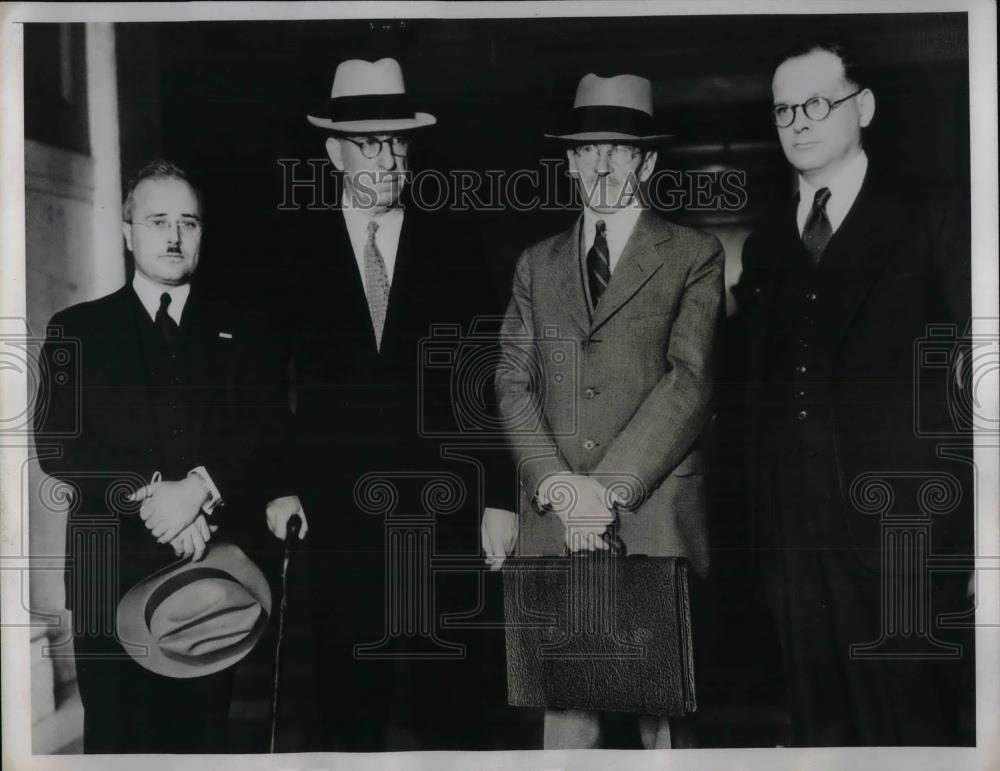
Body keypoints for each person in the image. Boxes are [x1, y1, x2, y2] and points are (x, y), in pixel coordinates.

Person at [266, 57, 516, 751]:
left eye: (398, 142)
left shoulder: (454, 241)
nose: (388, 158)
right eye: (370, 142)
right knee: (348, 702)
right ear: (334, 152)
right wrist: (282, 484)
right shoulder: (293, 248)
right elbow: (265, 382)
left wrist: (499, 495)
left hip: (445, 506)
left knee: (454, 700)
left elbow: (488, 374)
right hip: (337, 512)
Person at [734, 40, 973, 745]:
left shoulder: (933, 213)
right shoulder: (768, 243)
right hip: (793, 547)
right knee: (820, 734)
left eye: (816, 103)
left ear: (862, 107)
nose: (798, 122)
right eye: (783, 110)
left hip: (907, 533)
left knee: (913, 728)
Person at [490, 72, 725, 749]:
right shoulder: (537, 264)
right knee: (569, 726)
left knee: (664, 725)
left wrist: (607, 490)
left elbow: (690, 382)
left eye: (618, 149)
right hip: (557, 522)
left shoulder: (693, 254)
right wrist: (561, 487)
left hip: (649, 519)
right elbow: (512, 380)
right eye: (587, 149)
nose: (601, 163)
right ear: (568, 162)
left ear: (646, 162)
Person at [34, 159, 287, 752]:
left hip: (210, 570)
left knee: (199, 741)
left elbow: (264, 425)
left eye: (188, 223)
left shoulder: (244, 329)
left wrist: (201, 488)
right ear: (127, 233)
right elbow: (58, 445)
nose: (174, 237)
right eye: (156, 221)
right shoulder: (77, 329)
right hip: (107, 572)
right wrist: (156, 497)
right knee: (116, 742)